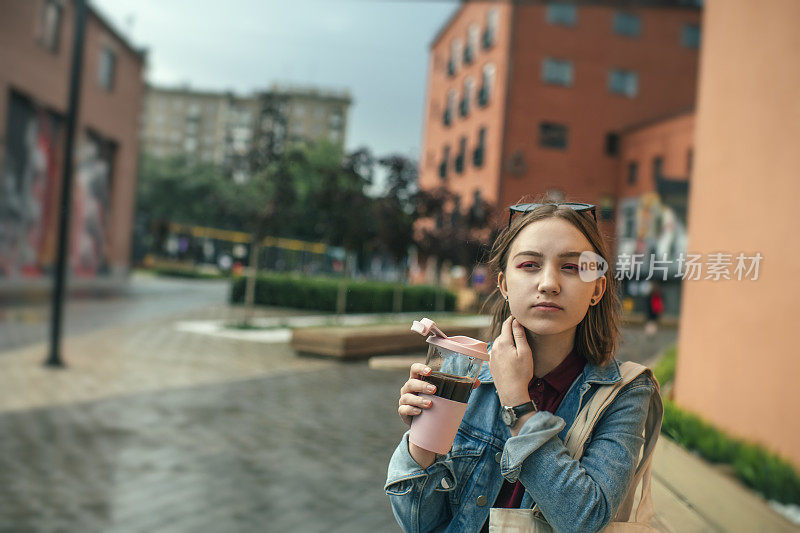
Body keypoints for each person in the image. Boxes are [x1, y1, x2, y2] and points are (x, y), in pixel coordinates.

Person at [386, 200, 663, 533]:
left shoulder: (625, 394)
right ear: (503, 285)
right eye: (530, 264)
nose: (548, 283)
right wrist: (421, 446)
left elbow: (585, 519)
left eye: (571, 267)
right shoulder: (460, 369)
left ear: (597, 288)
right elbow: (418, 524)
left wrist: (517, 402)